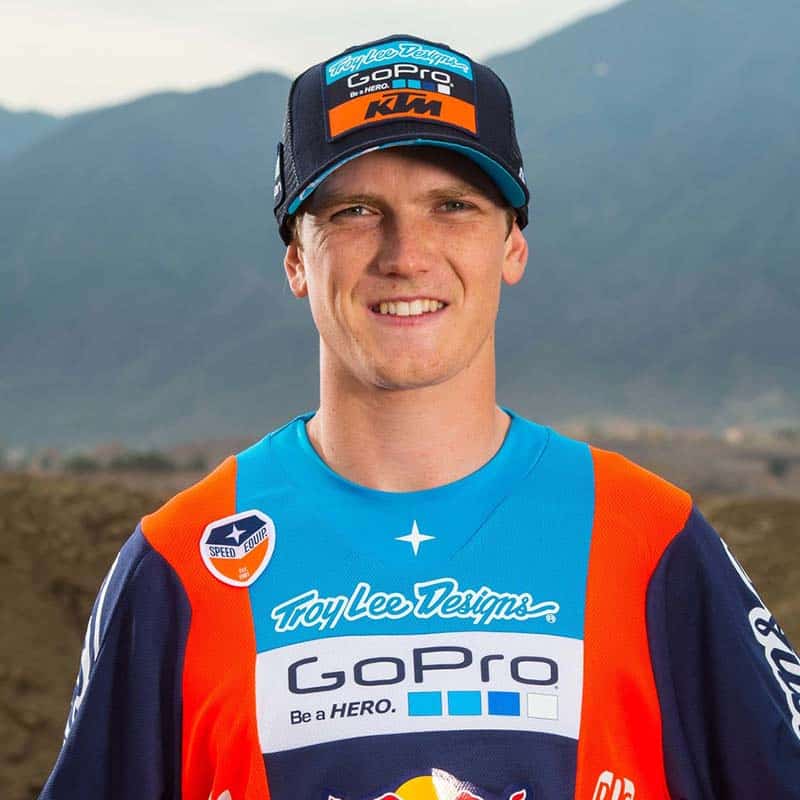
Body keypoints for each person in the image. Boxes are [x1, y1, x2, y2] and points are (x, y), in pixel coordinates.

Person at [40, 34, 800, 800]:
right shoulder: (179, 565)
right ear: (297, 259)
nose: (406, 254)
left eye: (453, 207)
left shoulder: (651, 540)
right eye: (355, 211)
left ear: (513, 246)